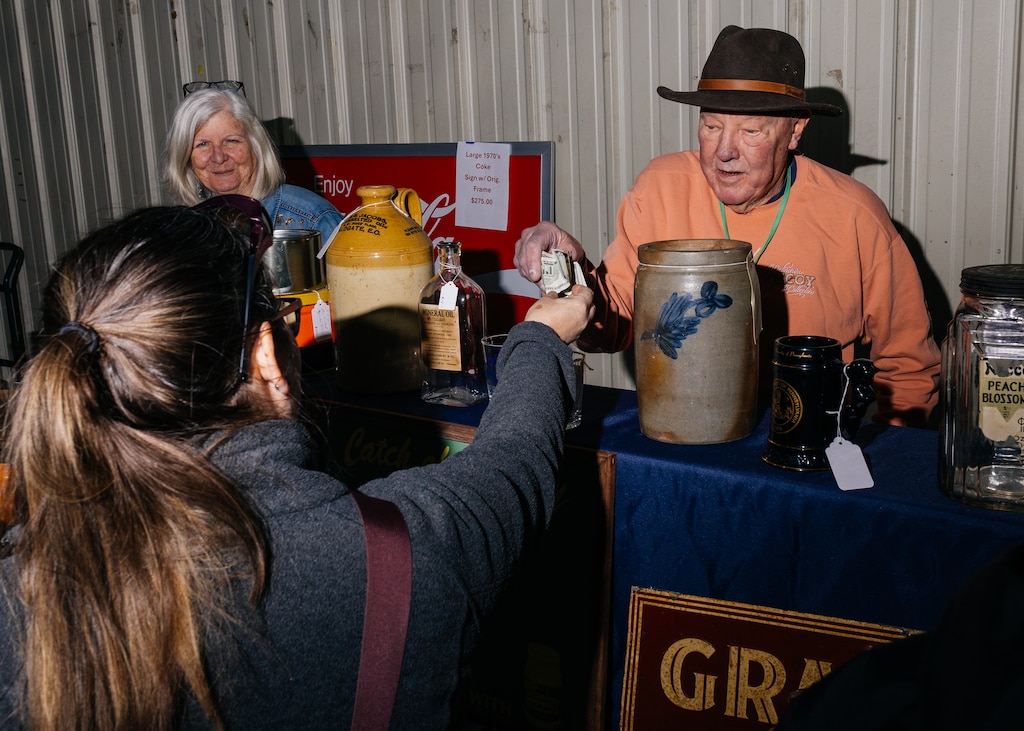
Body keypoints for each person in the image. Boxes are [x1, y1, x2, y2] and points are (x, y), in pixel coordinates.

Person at [0, 198, 594, 728]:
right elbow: (514, 464)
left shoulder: (18, 586)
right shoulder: (405, 551)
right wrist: (538, 337)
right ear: (267, 358)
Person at [514, 25, 941, 427]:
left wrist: (888, 460)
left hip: (808, 445)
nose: (723, 151)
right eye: (711, 125)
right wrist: (571, 272)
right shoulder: (660, 187)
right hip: (684, 432)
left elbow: (909, 369)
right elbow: (614, 327)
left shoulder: (854, 215)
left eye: (750, 131)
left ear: (795, 131)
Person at [164, 82, 344, 243]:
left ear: (256, 146)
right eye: (202, 144)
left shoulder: (313, 220)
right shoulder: (191, 231)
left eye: (231, 141)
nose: (218, 157)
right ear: (186, 157)